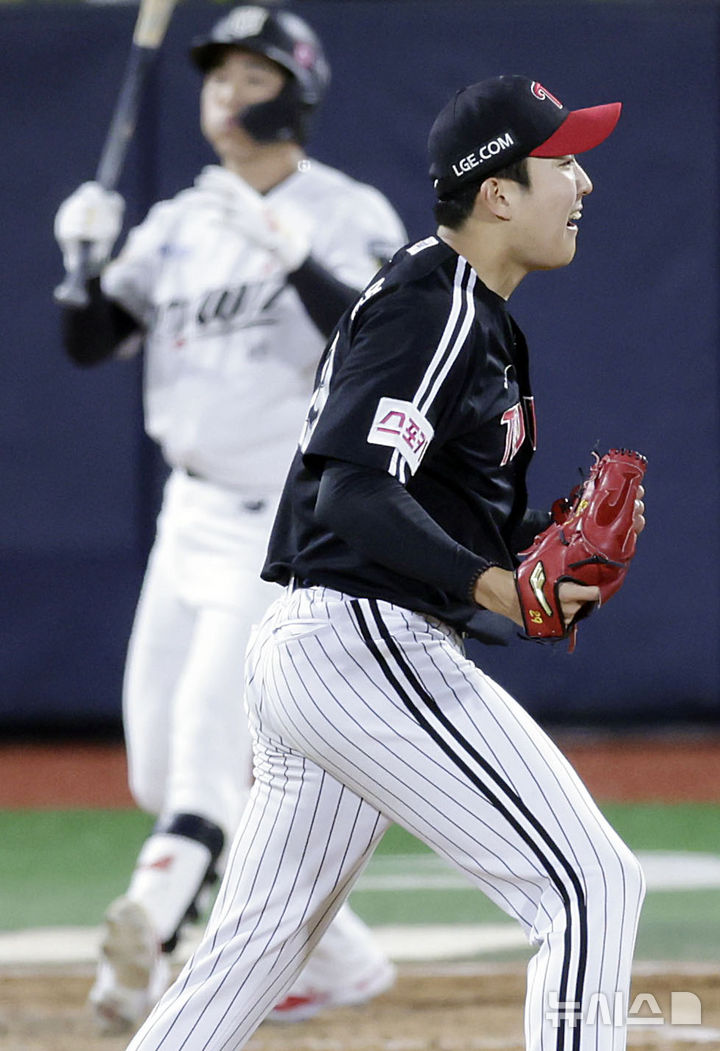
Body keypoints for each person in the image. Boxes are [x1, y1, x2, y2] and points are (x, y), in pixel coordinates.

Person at [121, 73, 648, 1051]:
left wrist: (538, 561)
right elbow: (351, 491)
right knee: (591, 883)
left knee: (251, 951)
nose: (583, 183)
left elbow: (426, 507)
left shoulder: (469, 315)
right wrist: (501, 584)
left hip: (324, 647)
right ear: (497, 191)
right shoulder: (433, 302)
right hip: (359, 643)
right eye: (563, 162)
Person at [53, 3, 406, 1035]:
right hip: (189, 514)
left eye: (252, 78)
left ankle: (145, 935)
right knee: (156, 768)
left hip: (280, 522)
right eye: (216, 79)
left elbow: (379, 344)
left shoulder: (346, 210)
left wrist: (295, 252)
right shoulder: (181, 219)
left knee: (205, 773)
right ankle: (344, 958)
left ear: (296, 91)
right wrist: (78, 263)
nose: (228, 96)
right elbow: (92, 340)